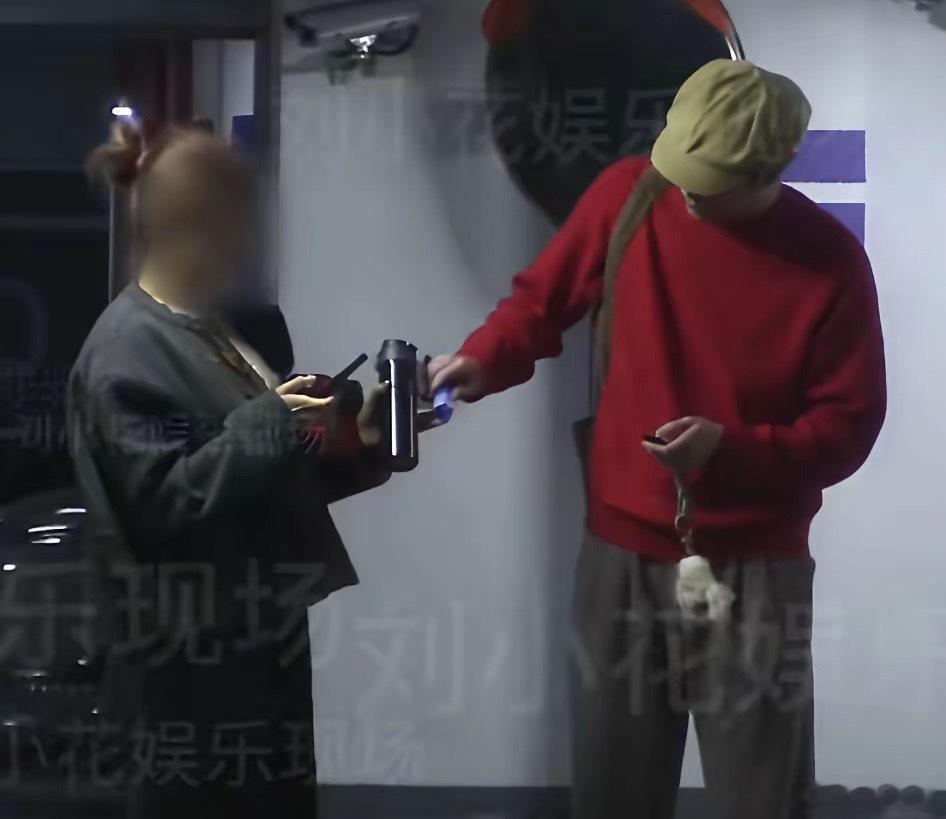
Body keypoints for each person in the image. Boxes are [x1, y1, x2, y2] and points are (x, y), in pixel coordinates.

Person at [429, 59, 887, 819]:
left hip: (756, 569)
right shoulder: (631, 195)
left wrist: (732, 451)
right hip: (621, 553)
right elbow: (540, 304)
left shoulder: (828, 262)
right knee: (612, 788)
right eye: (679, 171)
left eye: (709, 183)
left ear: (768, 170)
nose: (687, 193)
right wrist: (483, 357)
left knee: (762, 795)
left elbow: (847, 427)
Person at [68, 121, 392, 819]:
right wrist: (271, 420)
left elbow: (261, 482)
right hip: (187, 679)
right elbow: (162, 505)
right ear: (197, 226)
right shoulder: (125, 353)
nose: (251, 242)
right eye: (240, 221)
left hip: (260, 654)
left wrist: (365, 442)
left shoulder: (215, 329)